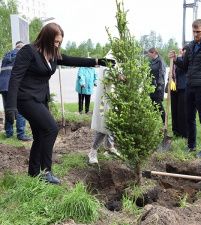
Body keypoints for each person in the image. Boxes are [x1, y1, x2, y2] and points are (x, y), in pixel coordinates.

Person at [5, 23, 114, 184]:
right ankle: (46, 172)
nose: (57, 45)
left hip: (40, 99)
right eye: (55, 42)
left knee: (40, 135)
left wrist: (99, 61)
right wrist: (10, 106)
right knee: (51, 129)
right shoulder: (29, 51)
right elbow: (15, 77)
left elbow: (71, 59)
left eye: (59, 42)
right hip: (25, 98)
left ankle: (34, 173)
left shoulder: (52, 53)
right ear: (46, 38)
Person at [169, 19, 201, 158]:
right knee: (189, 117)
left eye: (198, 31)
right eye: (194, 31)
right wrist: (175, 59)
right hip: (190, 87)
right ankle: (191, 145)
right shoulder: (191, 47)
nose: (196, 34)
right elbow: (185, 65)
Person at [88, 53, 118, 164]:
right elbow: (106, 76)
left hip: (115, 99)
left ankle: (109, 147)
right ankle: (93, 151)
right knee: (103, 126)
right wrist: (117, 77)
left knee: (113, 124)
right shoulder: (110, 58)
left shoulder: (121, 58)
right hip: (105, 100)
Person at [0, 41, 32, 141]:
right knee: (20, 109)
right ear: (22, 48)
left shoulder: (7, 56)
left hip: (3, 86)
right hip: (14, 87)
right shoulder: (22, 54)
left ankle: (9, 133)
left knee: (8, 109)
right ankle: (21, 134)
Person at [170, 47, 187, 138]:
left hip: (182, 88)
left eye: (183, 50)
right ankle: (175, 130)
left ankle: (183, 132)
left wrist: (178, 58)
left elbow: (183, 67)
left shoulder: (185, 60)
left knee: (182, 111)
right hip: (174, 88)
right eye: (181, 50)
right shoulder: (175, 60)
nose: (181, 51)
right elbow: (172, 72)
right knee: (174, 110)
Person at [147, 47, 166, 123]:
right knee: (153, 105)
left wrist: (159, 86)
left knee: (159, 106)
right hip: (151, 86)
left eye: (149, 54)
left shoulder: (160, 61)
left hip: (158, 87)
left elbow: (162, 73)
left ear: (154, 53)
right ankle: (153, 123)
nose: (149, 56)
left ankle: (165, 123)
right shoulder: (152, 61)